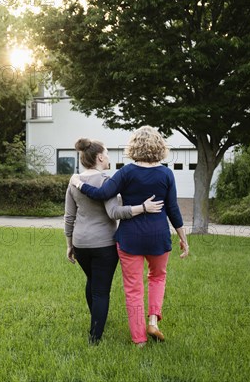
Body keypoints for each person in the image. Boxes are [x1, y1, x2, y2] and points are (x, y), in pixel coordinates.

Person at [70, 126, 189, 348]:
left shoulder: (126, 172)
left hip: (129, 238)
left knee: (133, 289)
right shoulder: (166, 173)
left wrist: (79, 183)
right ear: (159, 146)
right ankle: (153, 320)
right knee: (157, 277)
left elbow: (102, 194)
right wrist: (183, 237)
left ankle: (139, 340)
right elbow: (173, 209)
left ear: (134, 145)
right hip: (158, 237)